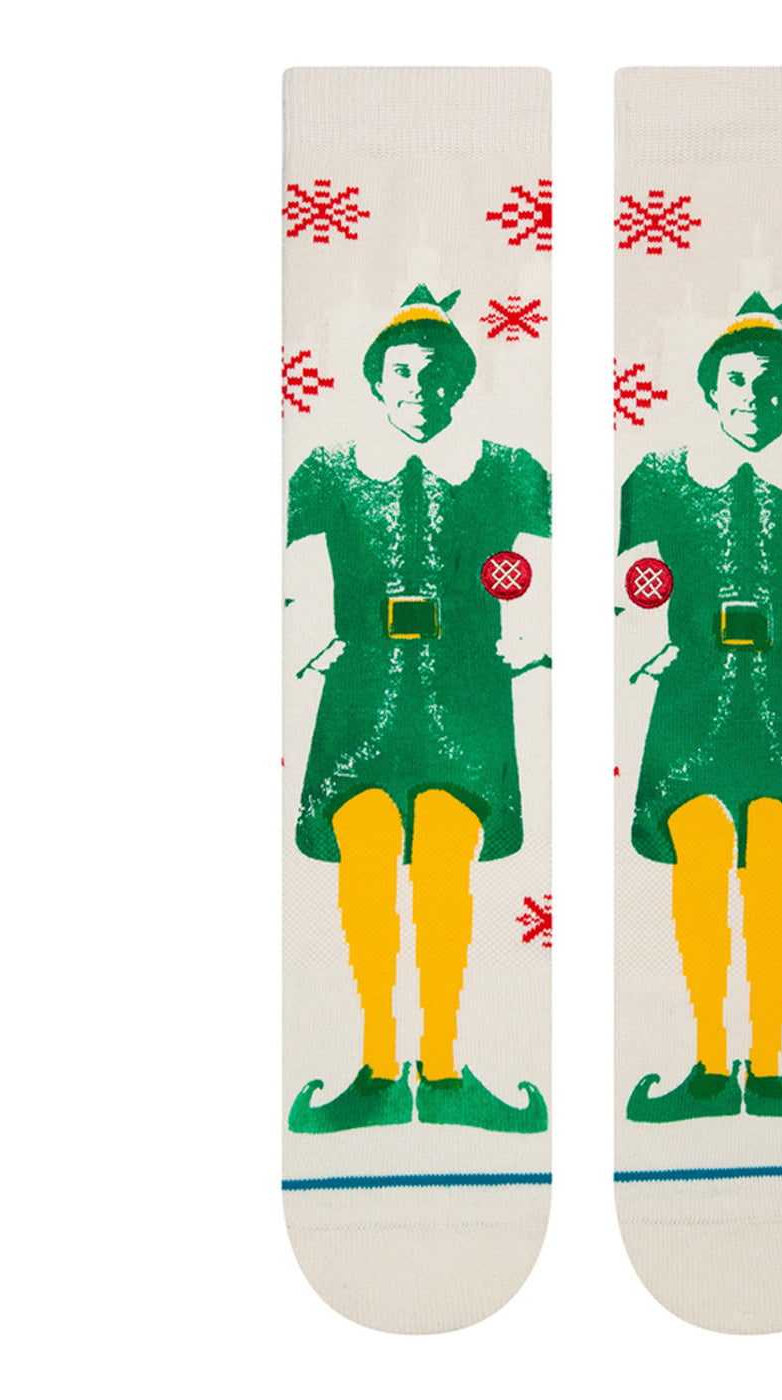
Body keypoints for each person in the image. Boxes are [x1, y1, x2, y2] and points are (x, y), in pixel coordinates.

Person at [286, 286, 549, 1134]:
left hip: (464, 694)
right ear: (375, 380)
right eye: (401, 372)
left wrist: (537, 630)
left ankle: (440, 1070)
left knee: (442, 867)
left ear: (461, 382)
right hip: (360, 697)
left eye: (437, 375)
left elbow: (591, 553)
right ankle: (375, 1067)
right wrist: (303, 627)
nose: (419, 389)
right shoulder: (328, 469)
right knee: (366, 862)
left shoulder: (506, 469)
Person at [619, 293, 782, 1123]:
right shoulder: (659, 477)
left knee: (773, 882)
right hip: (691, 705)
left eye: (771, 384)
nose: (752, 398)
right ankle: (707, 1066)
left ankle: (767, 1070)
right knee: (700, 873)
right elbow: (596, 570)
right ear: (709, 387)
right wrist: (637, 635)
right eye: (735, 380)